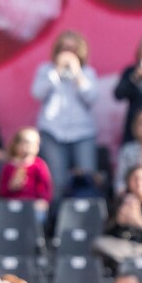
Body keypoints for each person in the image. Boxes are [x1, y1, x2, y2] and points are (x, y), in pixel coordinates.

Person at [32, 30, 99, 199]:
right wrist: (56, 72)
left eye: (72, 49)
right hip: (52, 131)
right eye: (64, 48)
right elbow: (37, 93)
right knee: (57, 181)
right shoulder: (46, 70)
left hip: (82, 133)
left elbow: (92, 97)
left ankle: (84, 219)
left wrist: (77, 74)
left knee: (86, 178)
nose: (68, 53)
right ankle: (55, 221)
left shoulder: (87, 72)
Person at [0, 127, 54, 216]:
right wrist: (11, 187)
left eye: (35, 144)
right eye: (27, 143)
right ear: (16, 145)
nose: (31, 147)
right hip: (12, 204)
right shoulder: (9, 167)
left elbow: (46, 187)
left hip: (33, 205)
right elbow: (1, 191)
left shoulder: (39, 165)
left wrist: (43, 201)